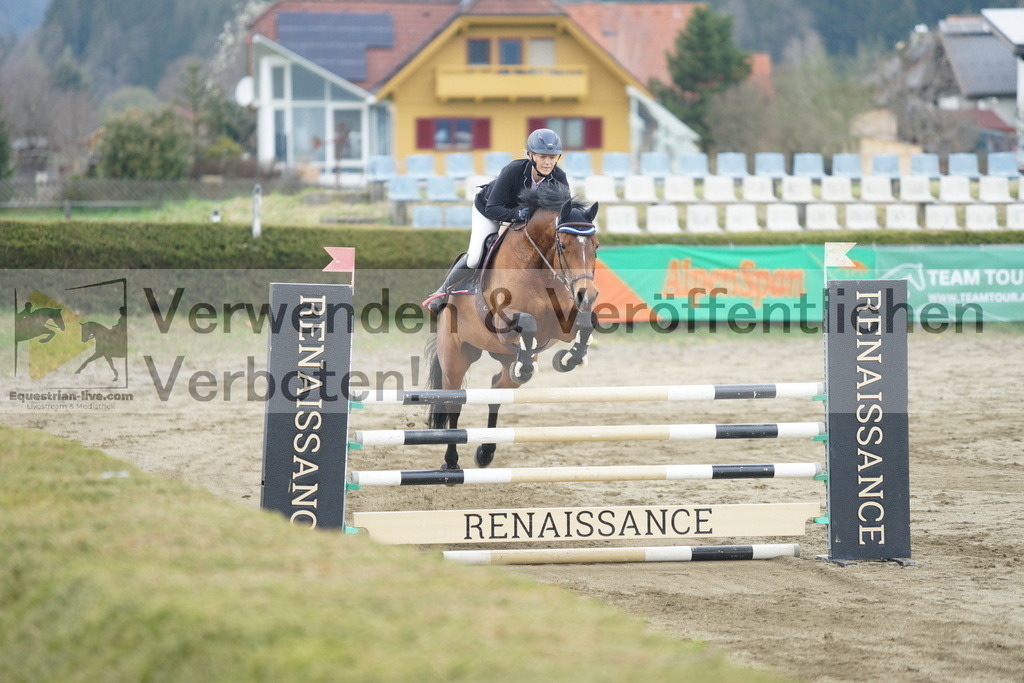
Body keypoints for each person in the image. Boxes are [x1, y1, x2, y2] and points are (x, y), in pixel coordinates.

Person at [423, 128, 569, 313]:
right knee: (476, 257)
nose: (548, 162)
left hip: (526, 220)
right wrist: (516, 216)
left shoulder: (559, 178)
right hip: (490, 210)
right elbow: (493, 208)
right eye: (542, 157)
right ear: (530, 155)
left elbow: (564, 212)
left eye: (553, 157)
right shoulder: (514, 171)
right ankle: (442, 292)